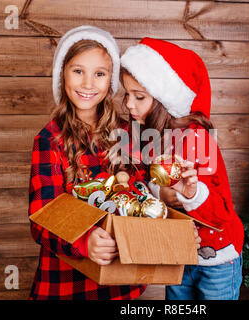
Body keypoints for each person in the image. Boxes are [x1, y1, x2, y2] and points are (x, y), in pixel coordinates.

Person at [120, 38, 245, 300]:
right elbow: (146, 184)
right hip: (179, 253)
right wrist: (159, 193)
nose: (129, 104)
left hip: (217, 260)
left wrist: (192, 193)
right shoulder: (149, 138)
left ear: (165, 99)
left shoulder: (197, 140)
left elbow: (221, 213)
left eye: (139, 96)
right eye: (127, 94)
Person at [27, 25, 145, 300]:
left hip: (120, 280)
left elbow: (143, 195)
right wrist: (84, 241)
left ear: (110, 81)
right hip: (65, 282)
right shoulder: (49, 140)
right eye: (78, 71)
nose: (88, 84)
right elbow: (41, 215)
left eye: (99, 74)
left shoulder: (128, 133)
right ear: (61, 75)